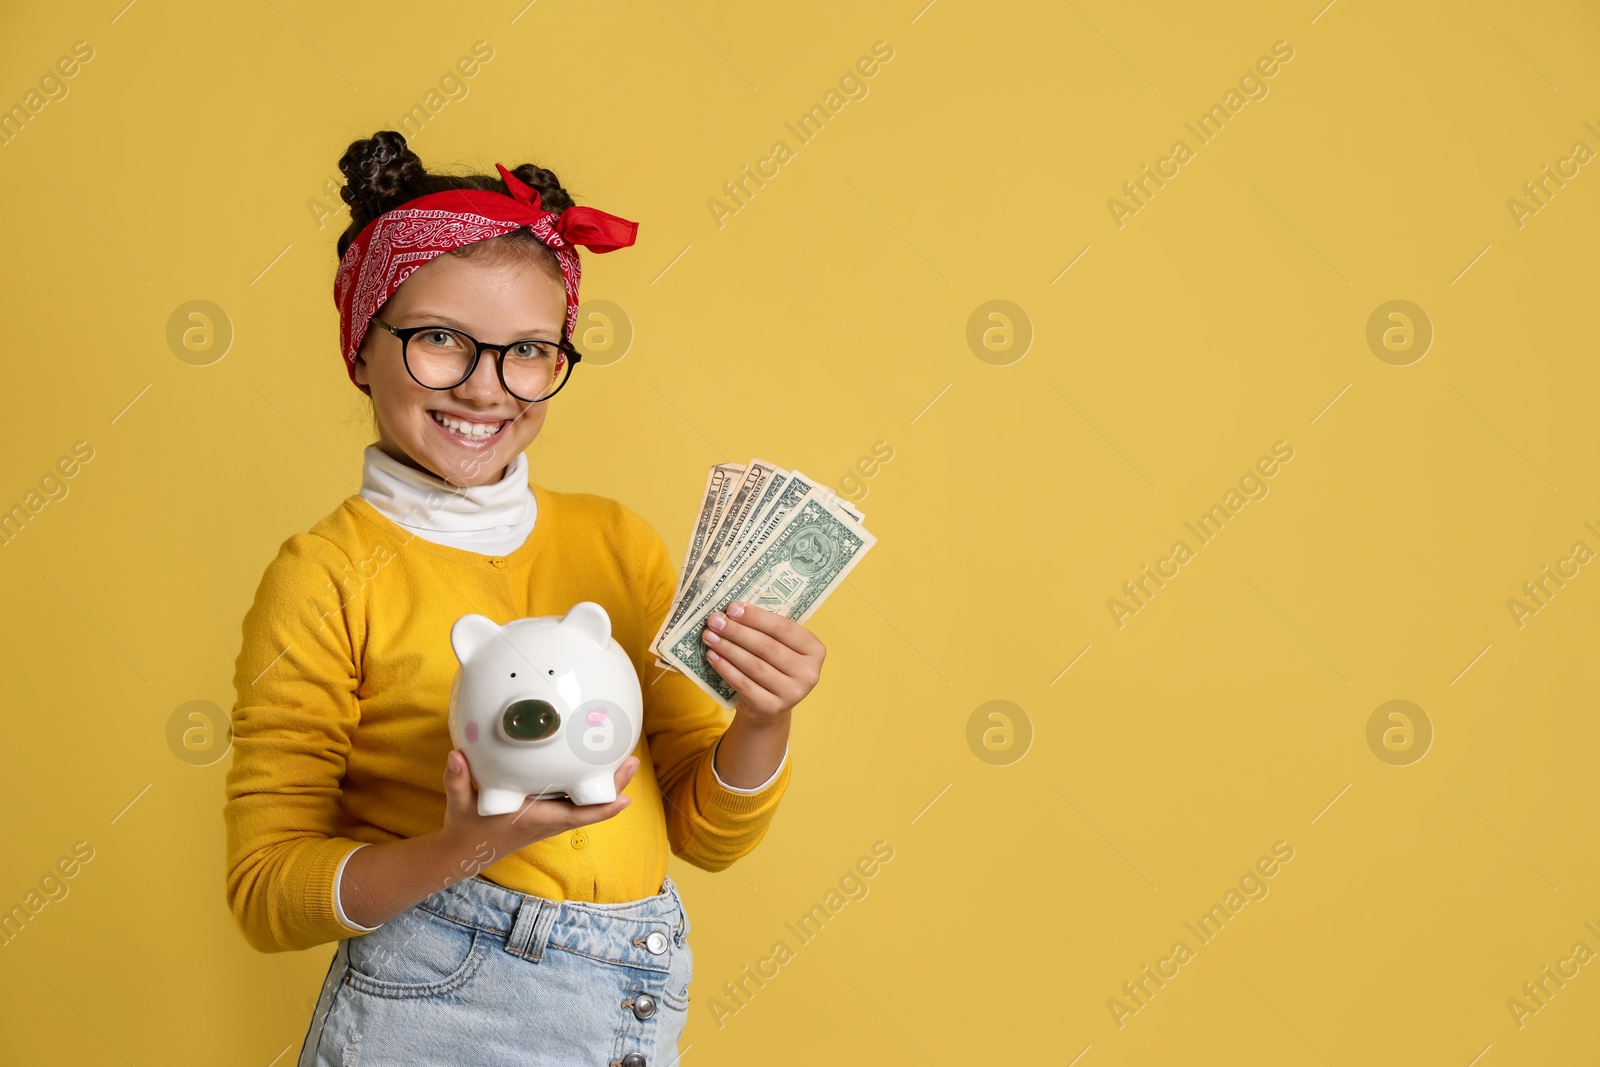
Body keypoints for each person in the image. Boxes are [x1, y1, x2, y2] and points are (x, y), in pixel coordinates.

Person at [222, 129, 827, 1066]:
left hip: (630, 997)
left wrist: (764, 717)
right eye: (438, 340)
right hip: (433, 1005)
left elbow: (706, 834)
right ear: (362, 348)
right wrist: (465, 843)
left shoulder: (616, 544)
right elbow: (266, 889)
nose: (484, 386)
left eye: (529, 352)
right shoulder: (326, 574)